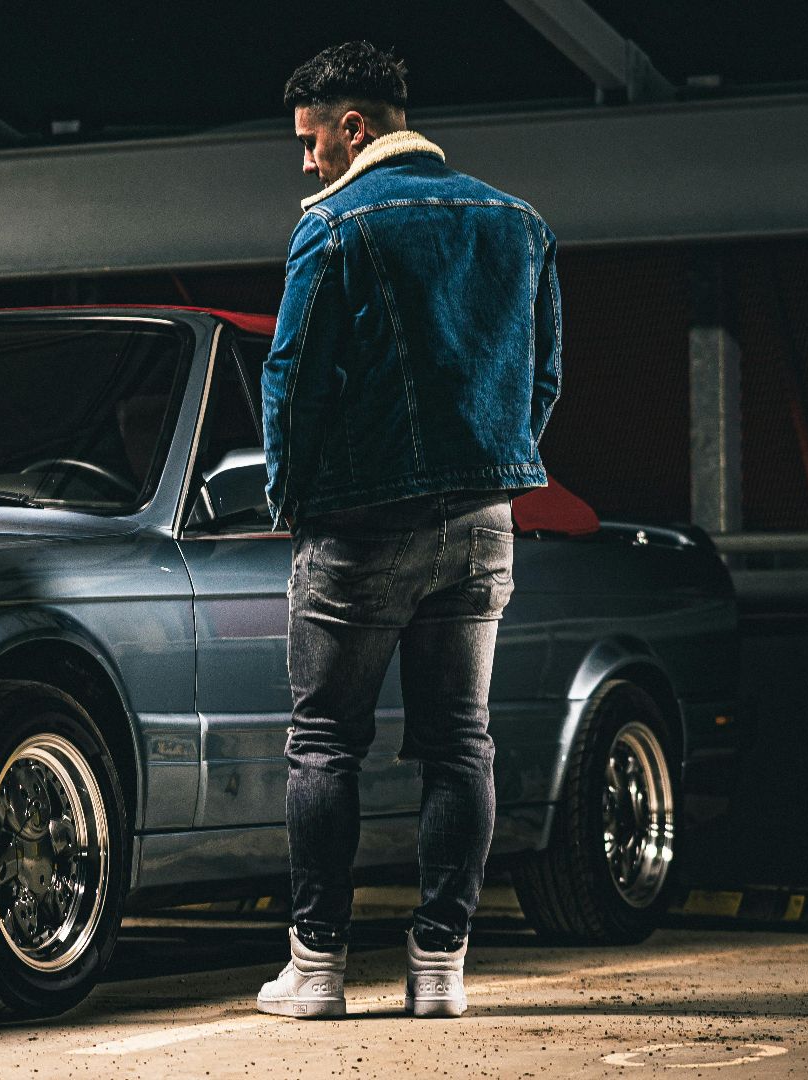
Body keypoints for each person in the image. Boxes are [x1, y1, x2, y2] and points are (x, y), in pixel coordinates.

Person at [253, 40, 562, 1020]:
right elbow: (541, 377)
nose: (306, 163)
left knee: (323, 744)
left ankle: (319, 971)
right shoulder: (517, 222)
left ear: (355, 127)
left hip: (361, 523)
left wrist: (292, 497)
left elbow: (292, 379)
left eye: (311, 142)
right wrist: (486, 475)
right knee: (459, 743)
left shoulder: (337, 228)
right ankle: (439, 969)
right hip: (484, 522)